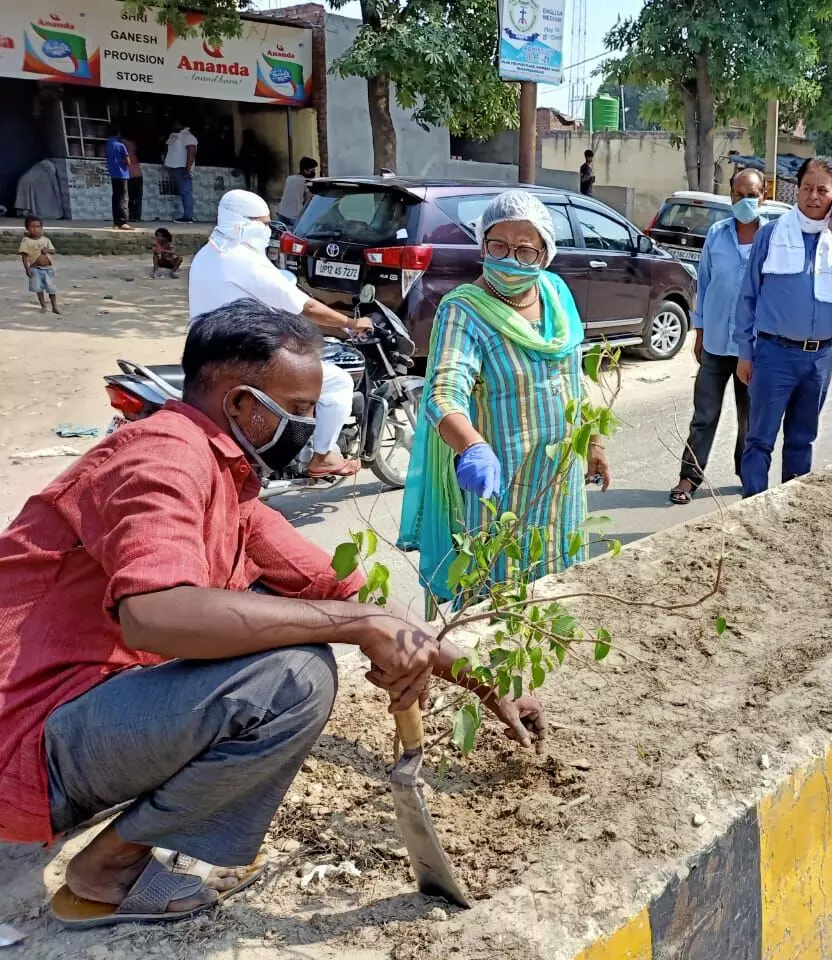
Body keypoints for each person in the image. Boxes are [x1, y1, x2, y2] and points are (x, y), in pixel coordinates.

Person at [0, 300, 547, 929]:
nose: (312, 426)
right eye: (301, 409)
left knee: (282, 637)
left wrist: (487, 681)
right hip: (27, 745)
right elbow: (154, 615)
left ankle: (130, 812)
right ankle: (107, 872)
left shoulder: (227, 479)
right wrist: (356, 628)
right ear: (240, 404)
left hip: (76, 723)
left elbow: (347, 591)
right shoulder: (161, 458)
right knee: (293, 677)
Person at [398, 190, 610, 602]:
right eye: (498, 245)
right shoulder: (465, 311)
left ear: (545, 253)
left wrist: (594, 441)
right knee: (497, 594)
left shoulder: (555, 293)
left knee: (554, 590)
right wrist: (472, 445)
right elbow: (442, 393)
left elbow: (573, 378)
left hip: (560, 482)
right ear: (482, 244)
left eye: (525, 250)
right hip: (499, 488)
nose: (510, 258)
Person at [189, 190, 369, 478]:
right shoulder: (244, 259)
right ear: (244, 223)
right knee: (338, 382)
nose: (267, 231)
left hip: (205, 351)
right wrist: (350, 323)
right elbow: (304, 305)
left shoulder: (208, 253)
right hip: (247, 356)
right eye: (263, 224)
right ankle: (322, 456)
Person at [733, 156, 832, 498]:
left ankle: (790, 511)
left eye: (822, 190)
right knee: (759, 440)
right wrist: (744, 352)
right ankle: (752, 508)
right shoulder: (771, 235)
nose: (813, 196)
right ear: (796, 191)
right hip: (773, 355)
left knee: (801, 439)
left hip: (819, 359)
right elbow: (748, 297)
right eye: (807, 188)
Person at [669, 169, 765, 505]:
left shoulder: (770, 237)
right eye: (739, 195)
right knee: (704, 413)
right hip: (715, 343)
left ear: (762, 195)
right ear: (731, 195)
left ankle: (748, 475)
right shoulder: (717, 233)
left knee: (750, 417)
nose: (745, 201)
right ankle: (689, 477)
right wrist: (700, 331)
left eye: (751, 195)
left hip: (751, 348)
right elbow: (705, 284)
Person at [19, 216, 58, 315]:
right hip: (35, 268)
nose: (35, 229)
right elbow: (24, 256)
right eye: (32, 227)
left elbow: (53, 251)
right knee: (39, 288)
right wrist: (27, 269)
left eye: (38, 226)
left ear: (41, 228)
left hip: (48, 268)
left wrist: (48, 250)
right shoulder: (26, 241)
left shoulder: (46, 240)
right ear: (27, 228)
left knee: (51, 289)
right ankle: (43, 306)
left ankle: (55, 306)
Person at [164, 120, 198, 223]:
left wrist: (188, 169)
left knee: (185, 192)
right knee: (182, 192)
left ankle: (188, 217)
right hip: (174, 167)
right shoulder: (174, 136)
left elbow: (191, 153)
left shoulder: (189, 136)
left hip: (182, 168)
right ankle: (186, 216)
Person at [277, 156, 317, 228]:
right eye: (312, 170)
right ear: (305, 170)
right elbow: (307, 202)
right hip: (294, 216)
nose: (314, 172)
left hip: (281, 213)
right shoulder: (307, 182)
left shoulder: (290, 178)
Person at [106, 129, 133, 231]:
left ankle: (116, 222)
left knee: (116, 198)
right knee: (123, 198)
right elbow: (128, 162)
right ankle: (123, 221)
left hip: (113, 174)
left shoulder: (108, 144)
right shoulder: (121, 145)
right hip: (122, 174)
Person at [123, 134, 144, 223]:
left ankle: (131, 216)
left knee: (131, 198)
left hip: (130, 175)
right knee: (138, 198)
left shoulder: (121, 144)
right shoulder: (132, 144)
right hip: (138, 173)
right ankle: (137, 217)